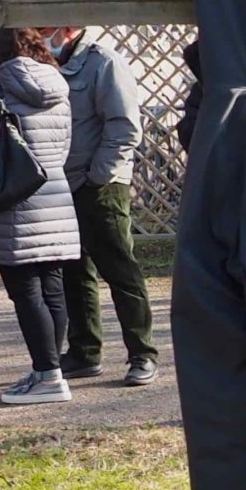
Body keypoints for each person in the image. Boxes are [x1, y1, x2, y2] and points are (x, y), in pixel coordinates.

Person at [0, 26, 82, 406]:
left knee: (25, 290)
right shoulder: (60, 88)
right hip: (54, 195)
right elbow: (64, 147)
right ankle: (50, 370)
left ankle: (47, 377)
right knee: (53, 287)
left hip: (12, 200)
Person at [46, 22, 159, 386]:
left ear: (70, 27)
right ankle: (83, 352)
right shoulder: (46, 63)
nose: (39, 34)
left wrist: (99, 174)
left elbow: (125, 126)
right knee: (73, 272)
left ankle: (142, 353)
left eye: (45, 27)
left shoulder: (104, 62)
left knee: (119, 269)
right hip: (62, 184)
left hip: (102, 184)